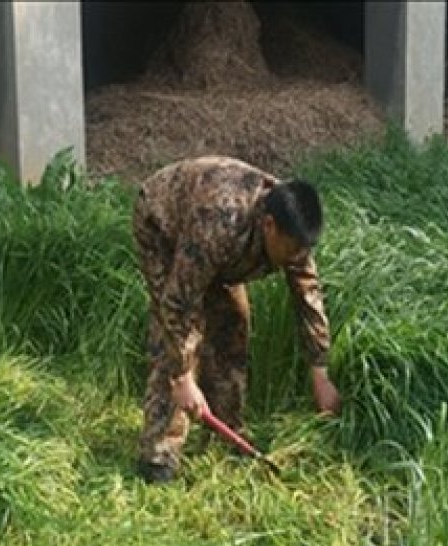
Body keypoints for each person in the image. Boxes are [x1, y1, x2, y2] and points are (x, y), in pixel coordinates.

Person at [133, 155, 342, 484]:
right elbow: (177, 304)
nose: (295, 259)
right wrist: (185, 376)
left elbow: (308, 294)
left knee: (234, 321)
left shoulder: (292, 230)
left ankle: (227, 433)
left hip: (215, 245)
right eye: (290, 251)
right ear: (269, 226)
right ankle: (159, 453)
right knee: (176, 334)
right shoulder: (220, 220)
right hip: (162, 225)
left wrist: (320, 372)